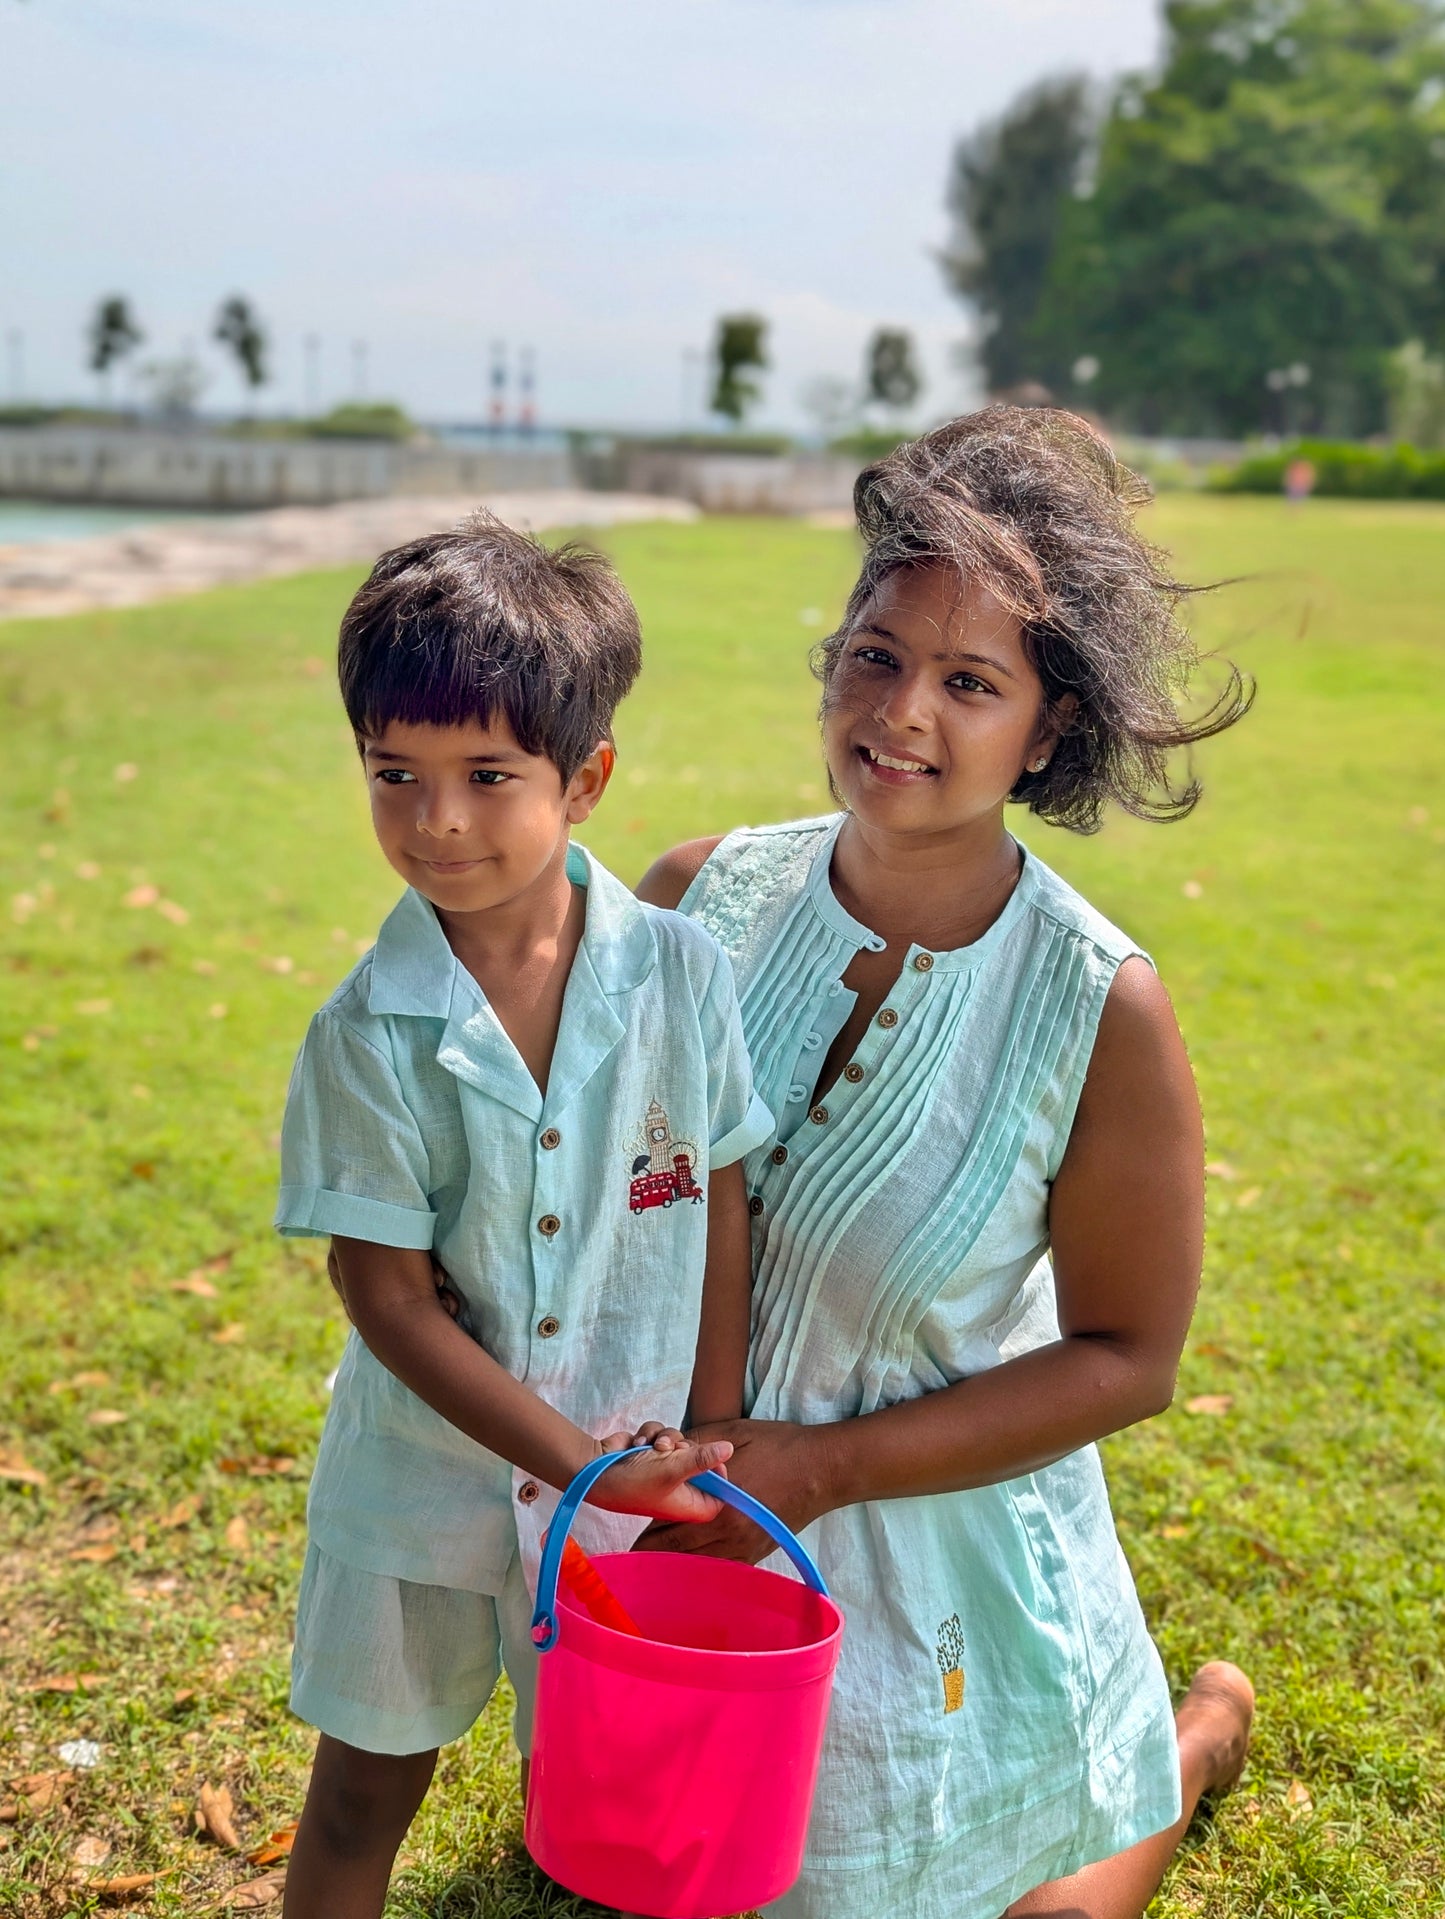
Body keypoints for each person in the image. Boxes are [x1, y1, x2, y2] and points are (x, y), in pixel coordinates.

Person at [637, 408, 1257, 1919]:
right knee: (660, 1877)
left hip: (938, 1564)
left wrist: (822, 1467)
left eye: (969, 682)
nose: (901, 710)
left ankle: (1182, 1744)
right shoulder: (690, 901)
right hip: (682, 1536)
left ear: (1044, 730)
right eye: (874, 653)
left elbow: (1128, 1356)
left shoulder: (1095, 1005)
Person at [273, 514, 773, 1919]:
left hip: (635, 1472)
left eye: (489, 776)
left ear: (587, 777)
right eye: (396, 775)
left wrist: (709, 1425)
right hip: (418, 1487)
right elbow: (386, 1301)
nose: (437, 820)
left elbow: (718, 1187)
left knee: (623, 1805)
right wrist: (578, 1465)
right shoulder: (366, 1033)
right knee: (366, 1786)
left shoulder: (682, 975)